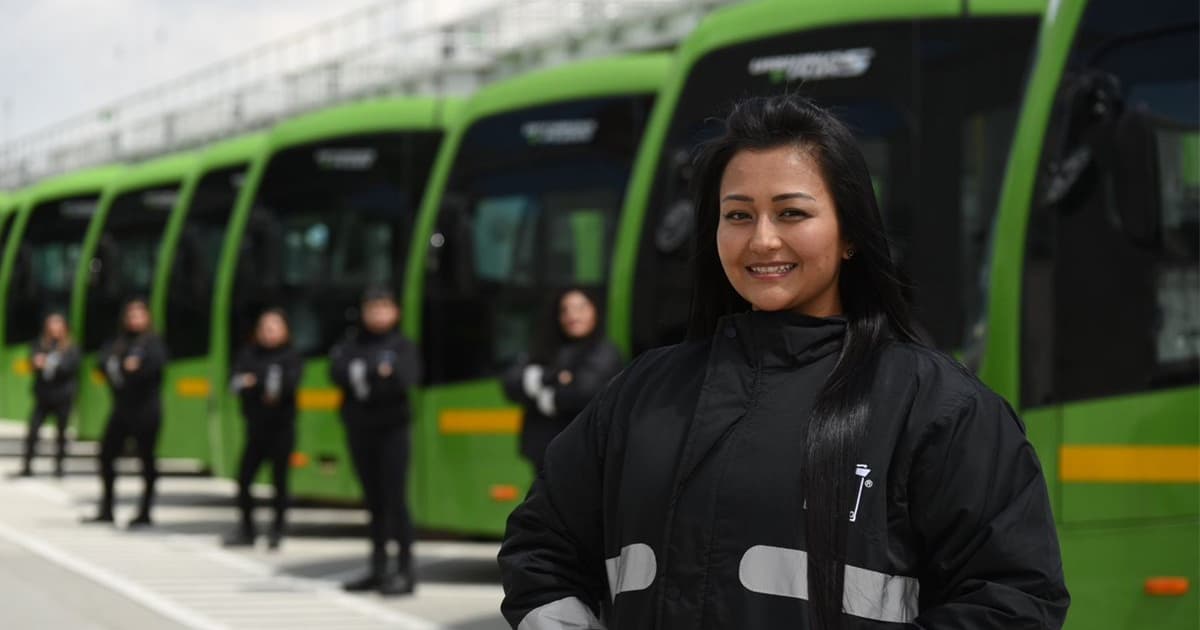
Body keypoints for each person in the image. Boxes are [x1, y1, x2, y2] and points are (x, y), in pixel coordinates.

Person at [498, 95, 1069, 629]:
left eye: (792, 213)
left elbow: (1013, 597)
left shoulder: (936, 406)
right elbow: (540, 549)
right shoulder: (645, 392)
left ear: (850, 233)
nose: (762, 241)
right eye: (738, 215)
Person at [330, 288, 422, 596]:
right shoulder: (352, 344)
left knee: (396, 501)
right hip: (360, 428)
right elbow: (338, 371)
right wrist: (376, 372)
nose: (378, 313)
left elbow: (403, 379)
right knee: (374, 503)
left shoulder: (403, 345)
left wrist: (364, 374)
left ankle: (406, 571)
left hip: (393, 430)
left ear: (395, 312)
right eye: (372, 307)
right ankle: (379, 568)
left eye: (384, 307)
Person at [501, 288, 623, 473]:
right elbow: (511, 383)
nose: (573, 315)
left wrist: (543, 391)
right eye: (565, 310)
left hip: (582, 454)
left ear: (595, 311)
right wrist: (554, 377)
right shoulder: (545, 348)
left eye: (581, 308)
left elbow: (584, 392)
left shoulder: (605, 352)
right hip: (543, 454)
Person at [224, 308, 302, 550]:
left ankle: (277, 530)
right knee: (244, 479)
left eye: (274, 327)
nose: (269, 333)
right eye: (264, 328)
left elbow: (286, 386)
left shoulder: (291, 355)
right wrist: (261, 381)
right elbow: (235, 383)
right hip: (256, 428)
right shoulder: (249, 353)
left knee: (279, 482)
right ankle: (247, 529)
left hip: (281, 428)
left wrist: (256, 381)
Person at [86, 298, 167, 528]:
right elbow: (102, 363)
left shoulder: (153, 343)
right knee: (106, 456)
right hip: (121, 409)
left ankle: (145, 510)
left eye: (139, 315)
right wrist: (124, 365)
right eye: (131, 316)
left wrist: (125, 367)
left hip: (146, 410)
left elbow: (149, 370)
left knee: (146, 459)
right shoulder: (118, 342)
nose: (134, 320)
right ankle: (107, 508)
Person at [20, 313, 81, 478]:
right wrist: (35, 362)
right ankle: (27, 465)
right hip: (43, 395)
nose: (55, 329)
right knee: (33, 430)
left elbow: (70, 368)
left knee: (61, 432)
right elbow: (30, 361)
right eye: (51, 325)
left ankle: (59, 466)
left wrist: (48, 362)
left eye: (58, 325)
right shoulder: (40, 344)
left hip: (62, 396)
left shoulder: (71, 347)